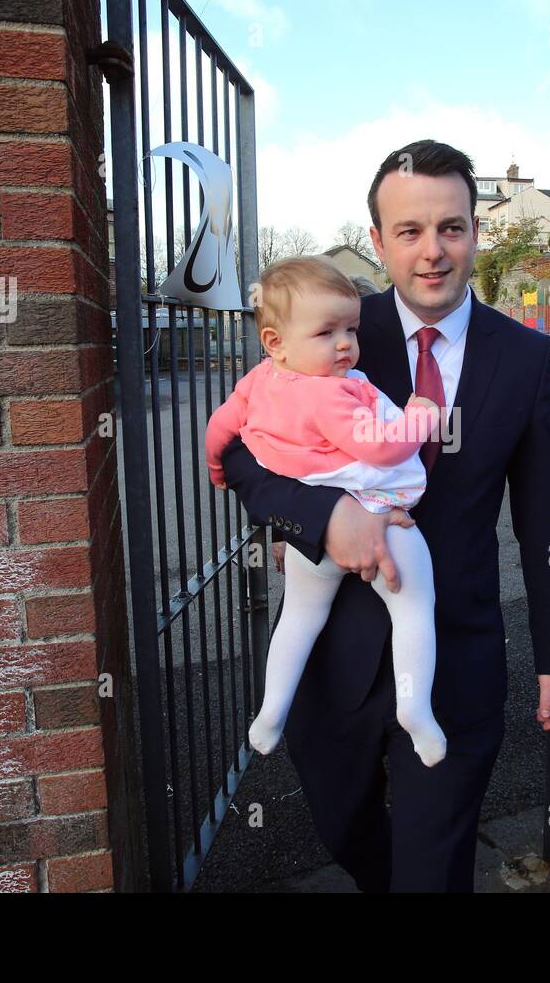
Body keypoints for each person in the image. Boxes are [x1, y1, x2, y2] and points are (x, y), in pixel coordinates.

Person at [220, 139, 550, 892]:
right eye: (409, 231)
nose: (433, 251)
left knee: (433, 872)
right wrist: (324, 518)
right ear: (377, 241)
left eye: (451, 227)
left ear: (476, 231)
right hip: (337, 661)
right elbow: (247, 462)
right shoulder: (332, 328)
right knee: (347, 831)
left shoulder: (523, 357)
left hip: (455, 660)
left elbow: (544, 518)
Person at [204, 256, 447, 767]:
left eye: (351, 330)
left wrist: (216, 470)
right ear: (275, 341)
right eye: (327, 332)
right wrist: (420, 417)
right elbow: (381, 448)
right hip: (382, 516)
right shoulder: (330, 393)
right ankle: (415, 707)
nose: (345, 344)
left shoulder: (258, 381)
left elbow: (220, 430)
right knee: (414, 608)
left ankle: (271, 709)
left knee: (298, 616)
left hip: (308, 552)